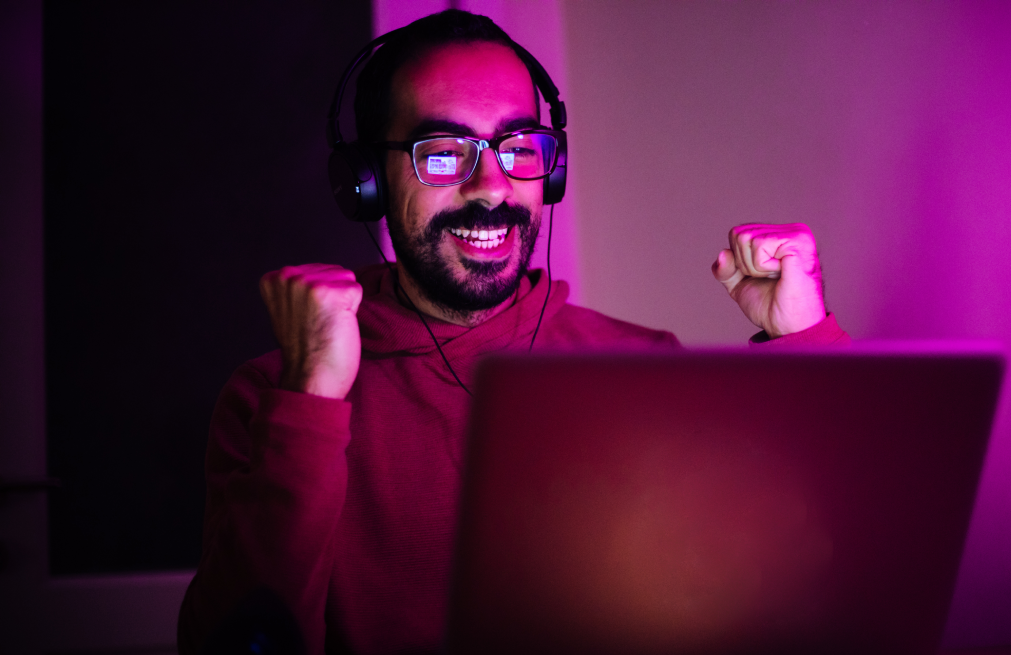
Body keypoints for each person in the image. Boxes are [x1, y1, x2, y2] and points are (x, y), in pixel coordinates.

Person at [178, 9, 849, 655]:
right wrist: (311, 404)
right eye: (443, 153)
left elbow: (815, 588)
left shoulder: (640, 367)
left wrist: (803, 339)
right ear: (368, 182)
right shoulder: (275, 395)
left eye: (519, 147)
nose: (491, 186)